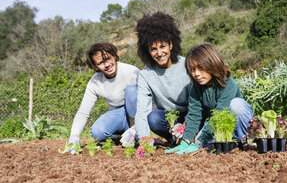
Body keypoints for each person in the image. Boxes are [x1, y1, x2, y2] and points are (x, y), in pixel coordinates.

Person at [165, 43, 253, 154]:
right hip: (218, 127)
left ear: (212, 64)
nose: (196, 74)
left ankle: (245, 144)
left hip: (236, 124)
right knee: (202, 147)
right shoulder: (195, 87)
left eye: (201, 68)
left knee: (237, 104)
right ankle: (226, 144)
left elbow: (220, 113)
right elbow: (194, 116)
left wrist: (199, 141)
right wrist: (186, 142)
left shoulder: (227, 83)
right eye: (192, 69)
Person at [67, 42, 139, 150]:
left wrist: (136, 127)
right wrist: (74, 135)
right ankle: (119, 138)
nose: (107, 65)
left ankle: (136, 134)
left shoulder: (132, 72)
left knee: (132, 90)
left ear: (114, 56)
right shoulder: (95, 82)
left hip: (137, 114)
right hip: (118, 114)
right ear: (95, 67)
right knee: (97, 131)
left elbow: (149, 101)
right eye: (101, 63)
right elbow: (83, 112)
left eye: (108, 58)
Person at [133, 12, 190, 144]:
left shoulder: (186, 64)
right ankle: (173, 139)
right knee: (153, 118)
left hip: (192, 115)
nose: (159, 53)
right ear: (147, 51)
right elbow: (142, 111)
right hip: (169, 119)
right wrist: (143, 141)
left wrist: (186, 125)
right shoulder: (146, 74)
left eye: (162, 46)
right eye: (153, 49)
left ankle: (189, 136)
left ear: (171, 45)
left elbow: (196, 103)